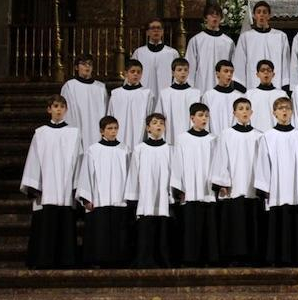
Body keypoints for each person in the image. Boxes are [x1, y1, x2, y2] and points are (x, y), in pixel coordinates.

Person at [21, 95, 82, 269]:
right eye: (55, 106)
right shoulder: (40, 133)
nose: (58, 109)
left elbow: (78, 159)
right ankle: (43, 260)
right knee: (45, 226)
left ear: (66, 110)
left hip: (65, 188)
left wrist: (76, 185)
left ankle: (66, 261)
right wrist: (34, 185)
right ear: (49, 109)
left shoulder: (74, 133)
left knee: (66, 224)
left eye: (62, 106)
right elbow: (34, 159)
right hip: (47, 188)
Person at [255, 97, 298, 266]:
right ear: (274, 113)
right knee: (277, 222)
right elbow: (263, 163)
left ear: (292, 111)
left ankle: (297, 258)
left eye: (287, 108)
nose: (284, 111)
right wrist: (264, 188)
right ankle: (276, 258)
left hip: (295, 191)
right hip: (276, 190)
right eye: (280, 108)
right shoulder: (268, 136)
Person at [210, 98, 264, 265]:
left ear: (252, 113)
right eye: (241, 109)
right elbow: (221, 157)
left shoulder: (259, 136)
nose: (245, 112)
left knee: (252, 222)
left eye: (247, 108)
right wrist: (223, 182)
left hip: (252, 187)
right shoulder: (227, 134)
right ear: (234, 113)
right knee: (235, 224)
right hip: (234, 186)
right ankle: (233, 256)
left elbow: (262, 163)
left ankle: (253, 257)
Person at [76, 115, 131, 268]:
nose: (113, 132)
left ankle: (119, 260)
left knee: (119, 231)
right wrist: (86, 198)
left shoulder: (124, 149)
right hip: (100, 200)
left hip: (120, 199)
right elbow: (86, 174)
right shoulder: (93, 150)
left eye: (115, 128)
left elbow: (129, 174)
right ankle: (100, 259)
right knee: (101, 232)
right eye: (109, 129)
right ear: (102, 131)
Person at [171, 103, 219, 266]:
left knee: (209, 226)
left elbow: (217, 163)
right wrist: (179, 188)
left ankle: (209, 258)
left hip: (207, 190)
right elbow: (178, 163)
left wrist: (217, 184)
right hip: (190, 189)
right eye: (200, 115)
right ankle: (190, 258)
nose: (204, 118)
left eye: (206, 115)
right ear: (192, 118)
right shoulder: (182, 138)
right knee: (191, 226)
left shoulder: (213, 139)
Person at [125, 113, 173, 268]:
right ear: (148, 128)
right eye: (154, 122)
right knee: (146, 227)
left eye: (161, 123)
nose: (158, 125)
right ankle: (144, 259)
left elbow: (174, 172)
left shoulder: (170, 149)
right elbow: (134, 173)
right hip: (145, 197)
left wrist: (173, 194)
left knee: (163, 227)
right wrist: (134, 197)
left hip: (163, 197)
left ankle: (163, 259)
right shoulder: (139, 149)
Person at [232, 1, 292, 92]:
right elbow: (240, 62)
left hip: (276, 86)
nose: (261, 15)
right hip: (252, 85)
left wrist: (285, 85)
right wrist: (241, 87)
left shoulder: (280, 36)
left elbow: (286, 63)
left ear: (269, 15)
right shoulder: (246, 37)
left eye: (264, 12)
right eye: (258, 12)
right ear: (254, 15)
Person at [60, 54, 108, 149]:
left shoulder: (100, 88)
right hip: (77, 130)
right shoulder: (70, 86)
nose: (87, 66)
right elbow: (67, 113)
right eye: (83, 64)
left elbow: (106, 111)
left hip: (96, 132)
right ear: (76, 67)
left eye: (90, 64)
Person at [186, 4, 236, 92]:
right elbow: (191, 66)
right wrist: (190, 90)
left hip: (223, 87)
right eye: (211, 15)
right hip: (201, 85)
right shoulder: (196, 40)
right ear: (205, 18)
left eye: (217, 15)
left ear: (221, 19)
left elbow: (233, 66)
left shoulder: (228, 42)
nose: (215, 17)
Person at [107, 59, 155, 152]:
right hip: (118, 135)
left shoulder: (147, 94)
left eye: (138, 72)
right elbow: (110, 117)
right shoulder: (116, 93)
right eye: (132, 71)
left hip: (139, 136)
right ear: (125, 73)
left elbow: (150, 118)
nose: (136, 74)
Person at [154, 58, 202, 145]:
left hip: (191, 139)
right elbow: (159, 118)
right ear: (173, 73)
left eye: (185, 70)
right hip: (170, 138)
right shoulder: (165, 93)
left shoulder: (195, 93)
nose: (183, 72)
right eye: (179, 70)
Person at [131, 17, 179, 97]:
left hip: (165, 95)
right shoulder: (139, 53)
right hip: (143, 95)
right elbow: (131, 74)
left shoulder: (172, 53)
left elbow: (177, 76)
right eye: (152, 28)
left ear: (162, 32)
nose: (156, 31)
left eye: (158, 28)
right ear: (147, 32)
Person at [201, 60, 245, 136]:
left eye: (231, 72)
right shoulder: (208, 96)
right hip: (213, 138)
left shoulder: (238, 96)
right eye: (226, 71)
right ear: (217, 74)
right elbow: (205, 120)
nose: (229, 74)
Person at [245, 59, 287, 132]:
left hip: (276, 136)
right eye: (262, 70)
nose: (266, 72)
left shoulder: (281, 94)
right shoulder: (249, 94)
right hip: (255, 135)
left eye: (269, 70)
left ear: (273, 74)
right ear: (257, 74)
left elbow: (287, 117)